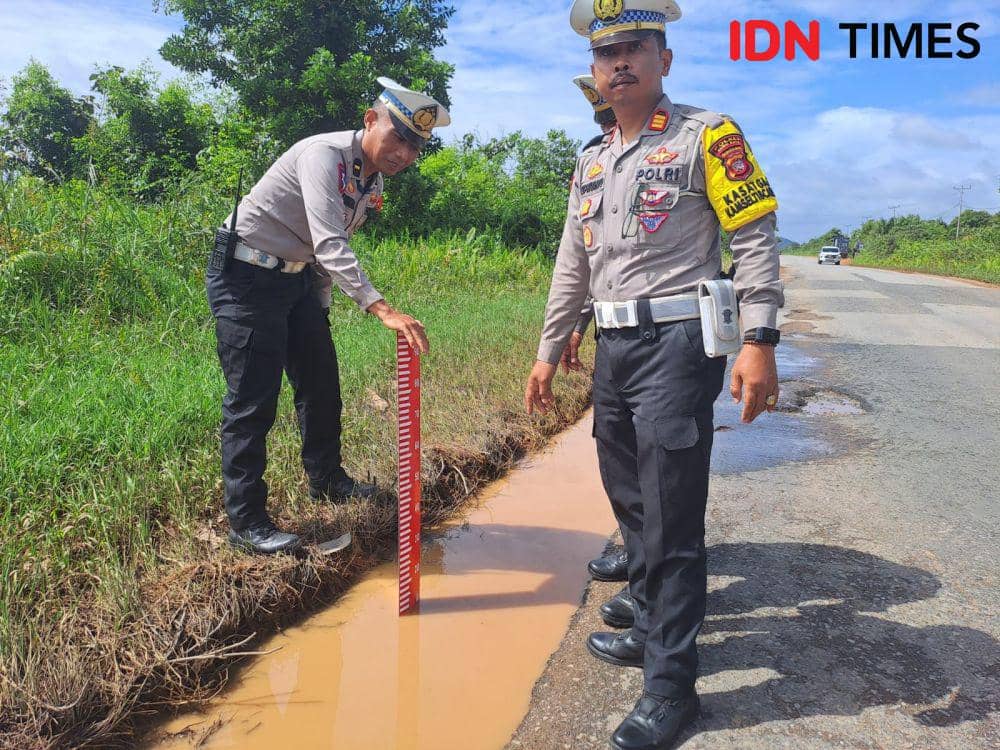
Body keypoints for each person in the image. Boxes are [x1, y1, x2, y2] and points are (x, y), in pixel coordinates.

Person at [524, 2, 783, 748]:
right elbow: (573, 263)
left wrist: (759, 339)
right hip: (614, 349)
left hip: (678, 344)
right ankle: (646, 622)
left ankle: (672, 688)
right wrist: (549, 348)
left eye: (635, 48)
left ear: (664, 60)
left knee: (670, 518)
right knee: (631, 500)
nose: (620, 63)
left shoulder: (710, 135)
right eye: (606, 55)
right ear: (595, 72)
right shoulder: (593, 159)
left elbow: (755, 237)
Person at [207, 77, 449, 555]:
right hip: (247, 277)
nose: (404, 152)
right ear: (369, 120)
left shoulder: (370, 179)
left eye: (415, 146)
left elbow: (324, 251)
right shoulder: (324, 155)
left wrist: (318, 313)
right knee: (252, 400)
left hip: (297, 282)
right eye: (398, 136)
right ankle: (247, 523)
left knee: (321, 384)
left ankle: (327, 480)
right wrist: (379, 306)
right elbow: (330, 242)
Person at [568, 74, 636, 629]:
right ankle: (640, 555)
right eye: (602, 120)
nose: (609, 127)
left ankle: (656, 576)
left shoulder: (673, 146)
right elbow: (593, 260)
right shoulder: (593, 160)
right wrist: (574, 323)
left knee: (657, 460)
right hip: (611, 331)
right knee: (615, 450)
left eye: (612, 119)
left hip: (669, 332)